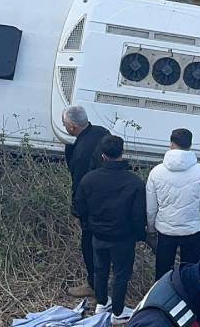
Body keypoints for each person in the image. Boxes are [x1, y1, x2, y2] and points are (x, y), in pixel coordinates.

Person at [75, 135, 146, 323]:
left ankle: (101, 303)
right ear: (122, 152)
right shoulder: (134, 182)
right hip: (123, 237)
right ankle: (118, 311)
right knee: (121, 274)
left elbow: (80, 207)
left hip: (98, 235)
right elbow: (139, 215)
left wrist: (88, 226)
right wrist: (139, 234)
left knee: (100, 269)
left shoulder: (89, 179)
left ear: (102, 155)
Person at [146, 129, 200, 280]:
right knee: (191, 275)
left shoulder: (156, 172)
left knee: (162, 275)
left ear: (171, 144)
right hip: (193, 232)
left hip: (165, 231)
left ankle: (161, 301)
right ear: (190, 145)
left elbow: (151, 208)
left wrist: (151, 229)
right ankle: (187, 302)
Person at [63, 104, 111, 298]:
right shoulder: (102, 132)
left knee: (89, 244)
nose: (64, 127)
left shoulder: (81, 151)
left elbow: (79, 184)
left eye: (65, 124)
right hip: (111, 200)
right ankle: (106, 278)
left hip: (93, 207)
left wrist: (77, 209)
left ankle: (93, 283)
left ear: (73, 127)